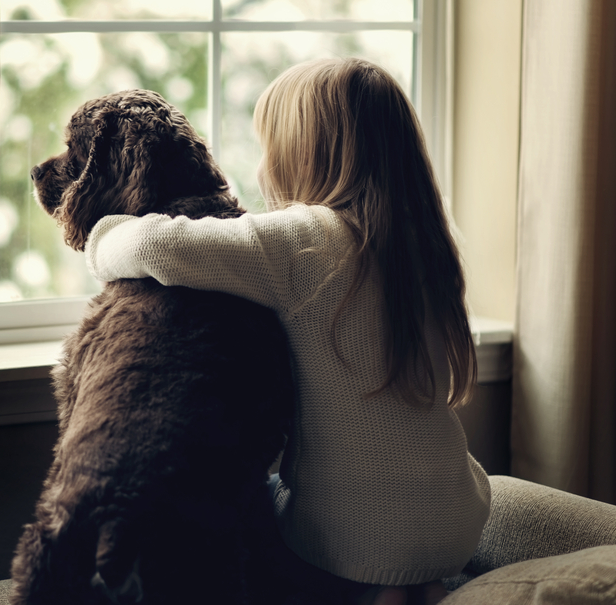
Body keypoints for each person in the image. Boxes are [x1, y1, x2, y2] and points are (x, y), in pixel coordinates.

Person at [84, 58, 491, 604]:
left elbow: (155, 246)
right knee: (399, 514)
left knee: (258, 503)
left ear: (303, 156)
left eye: (268, 149)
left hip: (352, 535)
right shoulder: (431, 242)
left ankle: (376, 584)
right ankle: (416, 581)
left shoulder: (307, 241)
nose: (261, 168)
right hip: (457, 517)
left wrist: (101, 234)